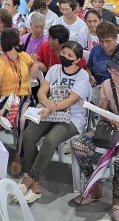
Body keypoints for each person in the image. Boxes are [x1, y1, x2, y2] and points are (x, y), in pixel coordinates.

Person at [71, 50, 119, 221]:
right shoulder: (107, 84)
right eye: (111, 72)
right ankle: (95, 187)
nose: (113, 76)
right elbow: (104, 110)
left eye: (117, 73)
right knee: (79, 145)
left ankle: (116, 200)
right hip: (109, 129)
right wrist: (111, 118)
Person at [19, 40, 90, 204]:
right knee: (29, 134)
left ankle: (29, 178)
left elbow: (72, 100)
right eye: (64, 53)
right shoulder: (54, 69)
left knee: (50, 140)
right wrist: (46, 103)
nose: (65, 57)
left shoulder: (82, 76)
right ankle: (35, 181)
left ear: (78, 60)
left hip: (72, 117)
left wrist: (52, 107)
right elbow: (42, 91)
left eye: (70, 55)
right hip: (49, 111)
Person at [0, 28, 35, 176]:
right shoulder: (0, 61)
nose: (22, 42)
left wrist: (34, 67)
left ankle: (18, 156)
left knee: (22, 120)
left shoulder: (23, 56)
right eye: (19, 40)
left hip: (24, 97)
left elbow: (34, 60)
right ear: (14, 43)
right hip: (8, 98)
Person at [86, 21, 119, 86]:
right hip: (97, 86)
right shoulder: (95, 50)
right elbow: (88, 68)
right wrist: (90, 76)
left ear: (116, 38)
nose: (104, 45)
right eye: (101, 41)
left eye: (108, 41)